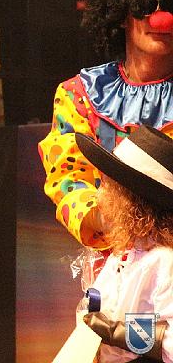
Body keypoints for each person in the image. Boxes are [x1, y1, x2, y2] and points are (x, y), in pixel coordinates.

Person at [39, 0, 173, 249]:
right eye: (145, 5)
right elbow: (68, 179)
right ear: (123, 14)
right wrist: (115, 222)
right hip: (112, 256)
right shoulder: (80, 95)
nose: (161, 18)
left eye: (171, 4)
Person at [74, 125, 173, 362]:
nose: (99, 196)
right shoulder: (123, 254)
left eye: (107, 186)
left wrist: (118, 333)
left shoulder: (164, 261)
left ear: (130, 200)